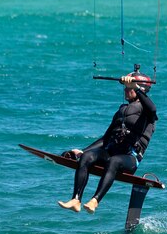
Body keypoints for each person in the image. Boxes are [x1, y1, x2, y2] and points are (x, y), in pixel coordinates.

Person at [58, 69, 158, 214]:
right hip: (111, 152)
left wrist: (134, 85)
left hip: (129, 158)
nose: (125, 90)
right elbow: (106, 138)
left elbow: (152, 108)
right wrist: (83, 151)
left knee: (114, 161)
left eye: (128, 88)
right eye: (125, 87)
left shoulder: (147, 112)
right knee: (88, 157)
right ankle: (76, 199)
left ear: (140, 88)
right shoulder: (122, 110)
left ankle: (94, 201)